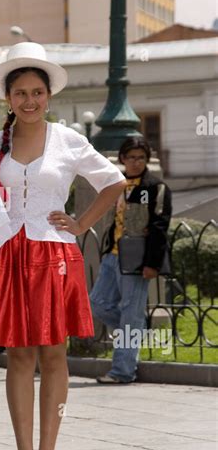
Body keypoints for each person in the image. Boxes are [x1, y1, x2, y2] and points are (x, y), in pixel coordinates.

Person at [0, 42, 126, 450]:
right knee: (18, 356)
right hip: (8, 254)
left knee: (55, 356)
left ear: (48, 96)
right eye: (21, 93)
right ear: (8, 99)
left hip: (54, 256)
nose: (30, 101)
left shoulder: (69, 140)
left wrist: (80, 224)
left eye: (37, 92)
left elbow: (113, 181)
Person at [89, 137, 172, 384]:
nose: (136, 162)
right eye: (131, 157)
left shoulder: (154, 187)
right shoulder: (118, 185)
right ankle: (138, 328)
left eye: (141, 158)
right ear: (122, 159)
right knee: (97, 303)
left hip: (138, 260)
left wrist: (152, 264)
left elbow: (160, 228)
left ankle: (122, 371)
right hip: (113, 256)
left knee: (129, 314)